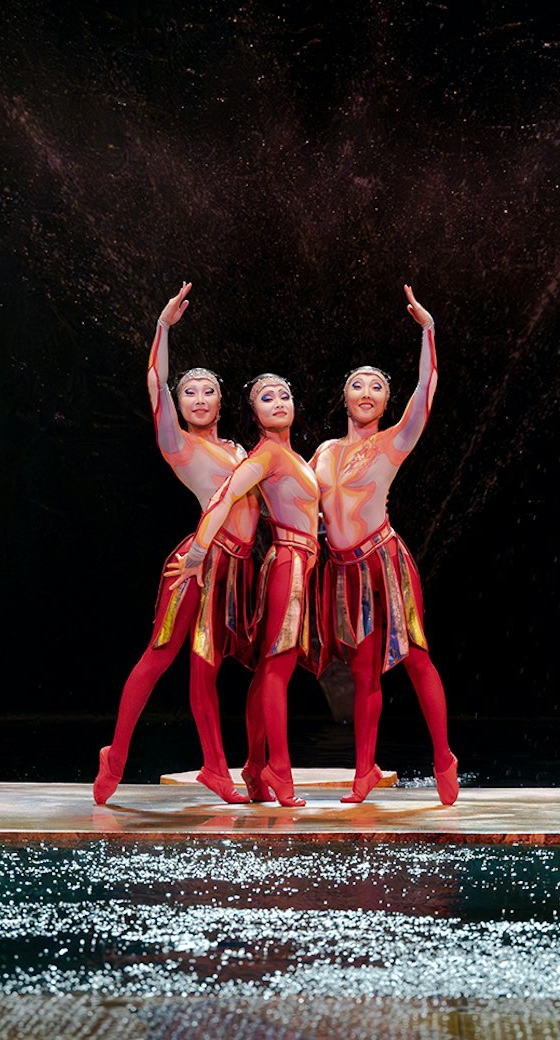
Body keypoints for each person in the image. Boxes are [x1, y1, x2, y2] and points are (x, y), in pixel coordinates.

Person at [94, 283, 259, 806]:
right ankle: (115, 754)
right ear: (179, 405)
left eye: (208, 390)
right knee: (161, 655)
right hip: (198, 562)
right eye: (190, 391)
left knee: (207, 666)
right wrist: (163, 328)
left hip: (238, 568)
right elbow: (153, 382)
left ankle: (216, 768)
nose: (200, 398)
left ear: (220, 401)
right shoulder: (178, 444)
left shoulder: (237, 448)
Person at [311, 285, 459, 805]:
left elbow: (428, 388)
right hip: (341, 571)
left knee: (416, 658)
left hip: (384, 561)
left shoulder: (392, 442)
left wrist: (428, 330)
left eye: (376, 386)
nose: (367, 392)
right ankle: (363, 771)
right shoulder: (325, 451)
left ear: (386, 400)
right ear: (345, 398)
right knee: (362, 670)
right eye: (358, 385)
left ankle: (443, 756)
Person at [168, 373, 320, 806]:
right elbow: (223, 497)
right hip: (288, 563)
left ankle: (256, 766)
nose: (277, 403)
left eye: (284, 396)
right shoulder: (267, 453)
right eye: (265, 398)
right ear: (253, 414)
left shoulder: (291, 455)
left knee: (270, 672)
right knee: (277, 669)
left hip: (298, 564)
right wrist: (198, 551)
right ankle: (279, 770)